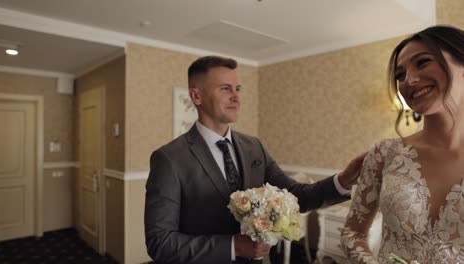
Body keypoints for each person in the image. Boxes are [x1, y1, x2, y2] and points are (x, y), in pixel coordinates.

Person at [144, 55, 366, 264]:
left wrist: (344, 180)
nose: (236, 96)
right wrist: (233, 246)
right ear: (196, 96)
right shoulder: (169, 159)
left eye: (237, 88)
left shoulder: (254, 147)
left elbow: (295, 194)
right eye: (225, 89)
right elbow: (160, 242)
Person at [341, 25, 464, 264]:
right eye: (400, 75)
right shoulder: (384, 153)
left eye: (423, 62)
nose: (409, 80)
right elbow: (352, 232)